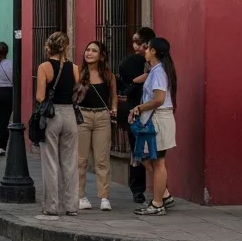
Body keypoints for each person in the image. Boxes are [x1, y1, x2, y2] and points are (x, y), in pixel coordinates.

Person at [128, 37, 178, 216]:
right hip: (158, 118)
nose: (145, 50)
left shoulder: (158, 72)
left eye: (147, 48)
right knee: (151, 159)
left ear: (154, 51)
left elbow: (158, 99)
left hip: (158, 119)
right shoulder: (157, 70)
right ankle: (163, 195)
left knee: (158, 162)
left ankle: (158, 203)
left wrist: (138, 108)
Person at [35, 32, 80, 218]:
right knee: (70, 162)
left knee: (50, 162)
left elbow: (40, 96)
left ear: (48, 47)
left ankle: (51, 206)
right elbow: (77, 92)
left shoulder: (44, 67)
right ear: (66, 47)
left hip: (52, 116)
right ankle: (71, 206)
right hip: (70, 114)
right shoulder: (75, 68)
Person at [74, 41, 117, 211]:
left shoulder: (108, 75)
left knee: (102, 159)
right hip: (82, 116)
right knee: (80, 160)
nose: (89, 53)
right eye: (87, 49)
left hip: (102, 117)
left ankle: (104, 197)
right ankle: (80, 196)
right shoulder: (78, 73)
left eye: (94, 50)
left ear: (101, 55)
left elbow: (113, 96)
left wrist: (114, 109)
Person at [116, 27, 155, 204]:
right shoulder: (129, 63)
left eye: (140, 42)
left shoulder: (157, 64)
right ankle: (138, 189)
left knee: (150, 151)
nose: (136, 46)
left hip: (152, 110)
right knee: (138, 150)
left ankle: (152, 189)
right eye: (135, 42)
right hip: (136, 110)